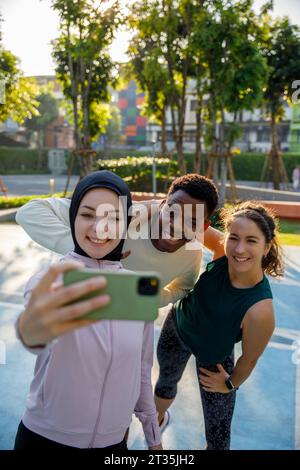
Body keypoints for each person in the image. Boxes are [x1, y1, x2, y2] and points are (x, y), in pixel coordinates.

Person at [14, 170, 162, 450]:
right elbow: (35, 330)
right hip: (44, 440)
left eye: (114, 218)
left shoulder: (138, 288)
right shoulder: (54, 279)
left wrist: (154, 437)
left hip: (115, 443)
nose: (99, 228)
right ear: (72, 218)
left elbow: (142, 372)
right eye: (87, 214)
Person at [154, 201, 284, 450]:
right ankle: (156, 422)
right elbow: (185, 218)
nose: (239, 248)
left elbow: (249, 360)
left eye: (252, 241)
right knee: (166, 382)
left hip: (213, 361)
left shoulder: (260, 310)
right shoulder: (222, 249)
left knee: (218, 438)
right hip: (179, 327)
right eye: (233, 237)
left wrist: (229, 384)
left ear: (267, 247)